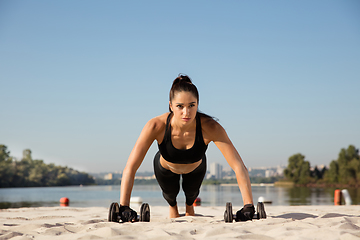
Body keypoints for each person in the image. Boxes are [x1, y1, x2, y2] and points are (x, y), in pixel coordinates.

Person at [119, 74, 254, 222]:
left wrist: (248, 205)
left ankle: (190, 206)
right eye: (180, 106)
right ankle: (173, 207)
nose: (186, 112)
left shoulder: (211, 127)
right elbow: (130, 167)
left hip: (196, 168)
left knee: (192, 195)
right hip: (166, 168)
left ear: (197, 103)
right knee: (170, 196)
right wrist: (124, 206)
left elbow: (238, 166)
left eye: (191, 105)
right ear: (171, 105)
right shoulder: (156, 126)